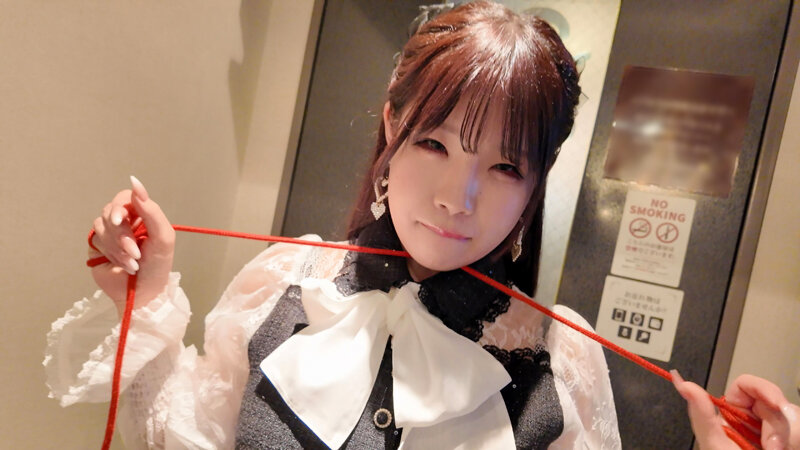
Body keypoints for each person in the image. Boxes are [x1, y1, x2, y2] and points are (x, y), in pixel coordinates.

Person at [44, 2, 798, 449]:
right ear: (391, 128)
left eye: (505, 166)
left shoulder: (561, 357)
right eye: (435, 144)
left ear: (537, 184)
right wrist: (146, 298)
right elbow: (183, 434)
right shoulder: (284, 280)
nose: (456, 198)